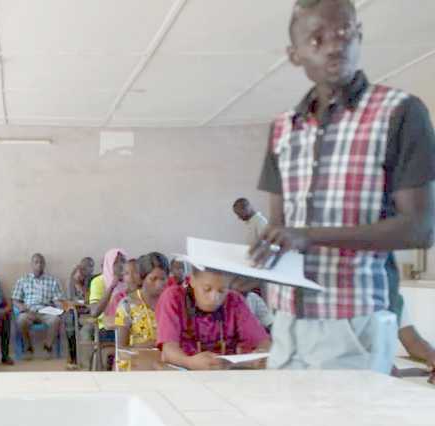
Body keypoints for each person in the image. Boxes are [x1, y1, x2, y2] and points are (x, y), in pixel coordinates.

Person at [251, 0, 435, 373]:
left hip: (353, 320)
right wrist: (257, 259)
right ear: (295, 55)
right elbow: (281, 230)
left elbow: (420, 227)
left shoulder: (399, 113)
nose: (335, 45)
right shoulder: (283, 128)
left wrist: (310, 236)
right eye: (317, 39)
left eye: (344, 33)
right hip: (286, 323)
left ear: (359, 36)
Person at [157, 267, 271, 371]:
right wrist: (190, 362)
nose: (214, 298)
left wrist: (257, 356)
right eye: (207, 289)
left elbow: (263, 343)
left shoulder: (234, 300)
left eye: (222, 291)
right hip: (185, 372)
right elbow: (168, 351)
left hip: (227, 374)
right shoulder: (173, 297)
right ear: (192, 280)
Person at [11, 253, 64, 358]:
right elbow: (15, 300)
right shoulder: (23, 280)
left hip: (46, 311)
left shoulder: (52, 281)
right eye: (36, 262)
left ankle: (47, 347)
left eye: (41, 262)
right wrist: (20, 306)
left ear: (44, 265)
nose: (39, 265)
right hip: (29, 311)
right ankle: (28, 347)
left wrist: (60, 306)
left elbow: (58, 300)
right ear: (31, 264)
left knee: (56, 320)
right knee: (21, 320)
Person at [116, 253, 169, 351]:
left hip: (169, 361)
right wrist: (144, 347)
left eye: (163, 279)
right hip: (138, 361)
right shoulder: (127, 305)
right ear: (141, 278)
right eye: (153, 279)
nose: (159, 284)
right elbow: (121, 349)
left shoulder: (171, 303)